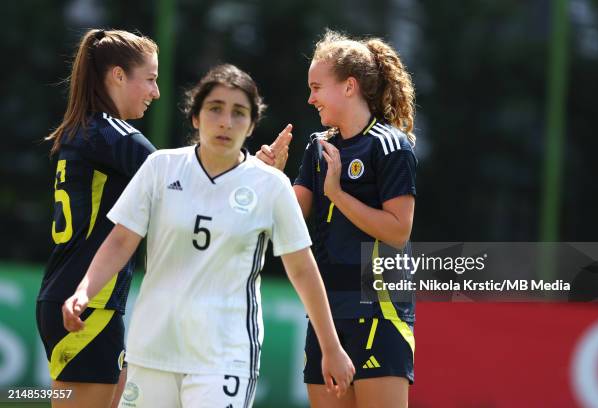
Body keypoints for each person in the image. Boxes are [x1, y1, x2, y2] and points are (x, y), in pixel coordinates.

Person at [62, 64, 355, 408]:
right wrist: (84, 291)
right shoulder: (160, 168)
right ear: (196, 117)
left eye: (239, 113)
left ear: (251, 125)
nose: (226, 122)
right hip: (153, 350)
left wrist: (331, 347)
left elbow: (303, 270)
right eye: (215, 109)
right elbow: (121, 240)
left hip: (225, 356)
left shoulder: (270, 185)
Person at [259, 29, 417, 407]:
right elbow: (287, 218)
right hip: (327, 317)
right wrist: (270, 178)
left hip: (379, 310)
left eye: (317, 87)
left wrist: (337, 195)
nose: (310, 98)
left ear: (349, 87)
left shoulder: (390, 145)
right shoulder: (319, 147)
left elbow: (398, 231)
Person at [36, 29, 160, 408]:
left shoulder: (82, 131)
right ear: (118, 75)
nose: (155, 92)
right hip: (88, 303)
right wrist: (250, 171)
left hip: (77, 296)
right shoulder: (116, 137)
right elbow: (181, 183)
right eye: (150, 79)